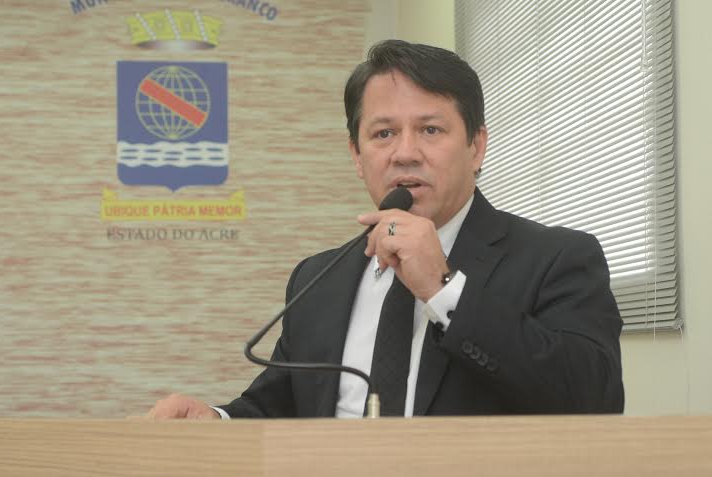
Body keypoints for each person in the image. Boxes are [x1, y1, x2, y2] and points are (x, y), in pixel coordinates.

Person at [146, 39, 624, 419]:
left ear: (476, 147)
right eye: (383, 134)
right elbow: (282, 405)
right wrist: (218, 419)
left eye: (431, 130)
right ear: (357, 155)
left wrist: (443, 289)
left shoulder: (556, 258)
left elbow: (593, 399)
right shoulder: (318, 278)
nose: (405, 153)